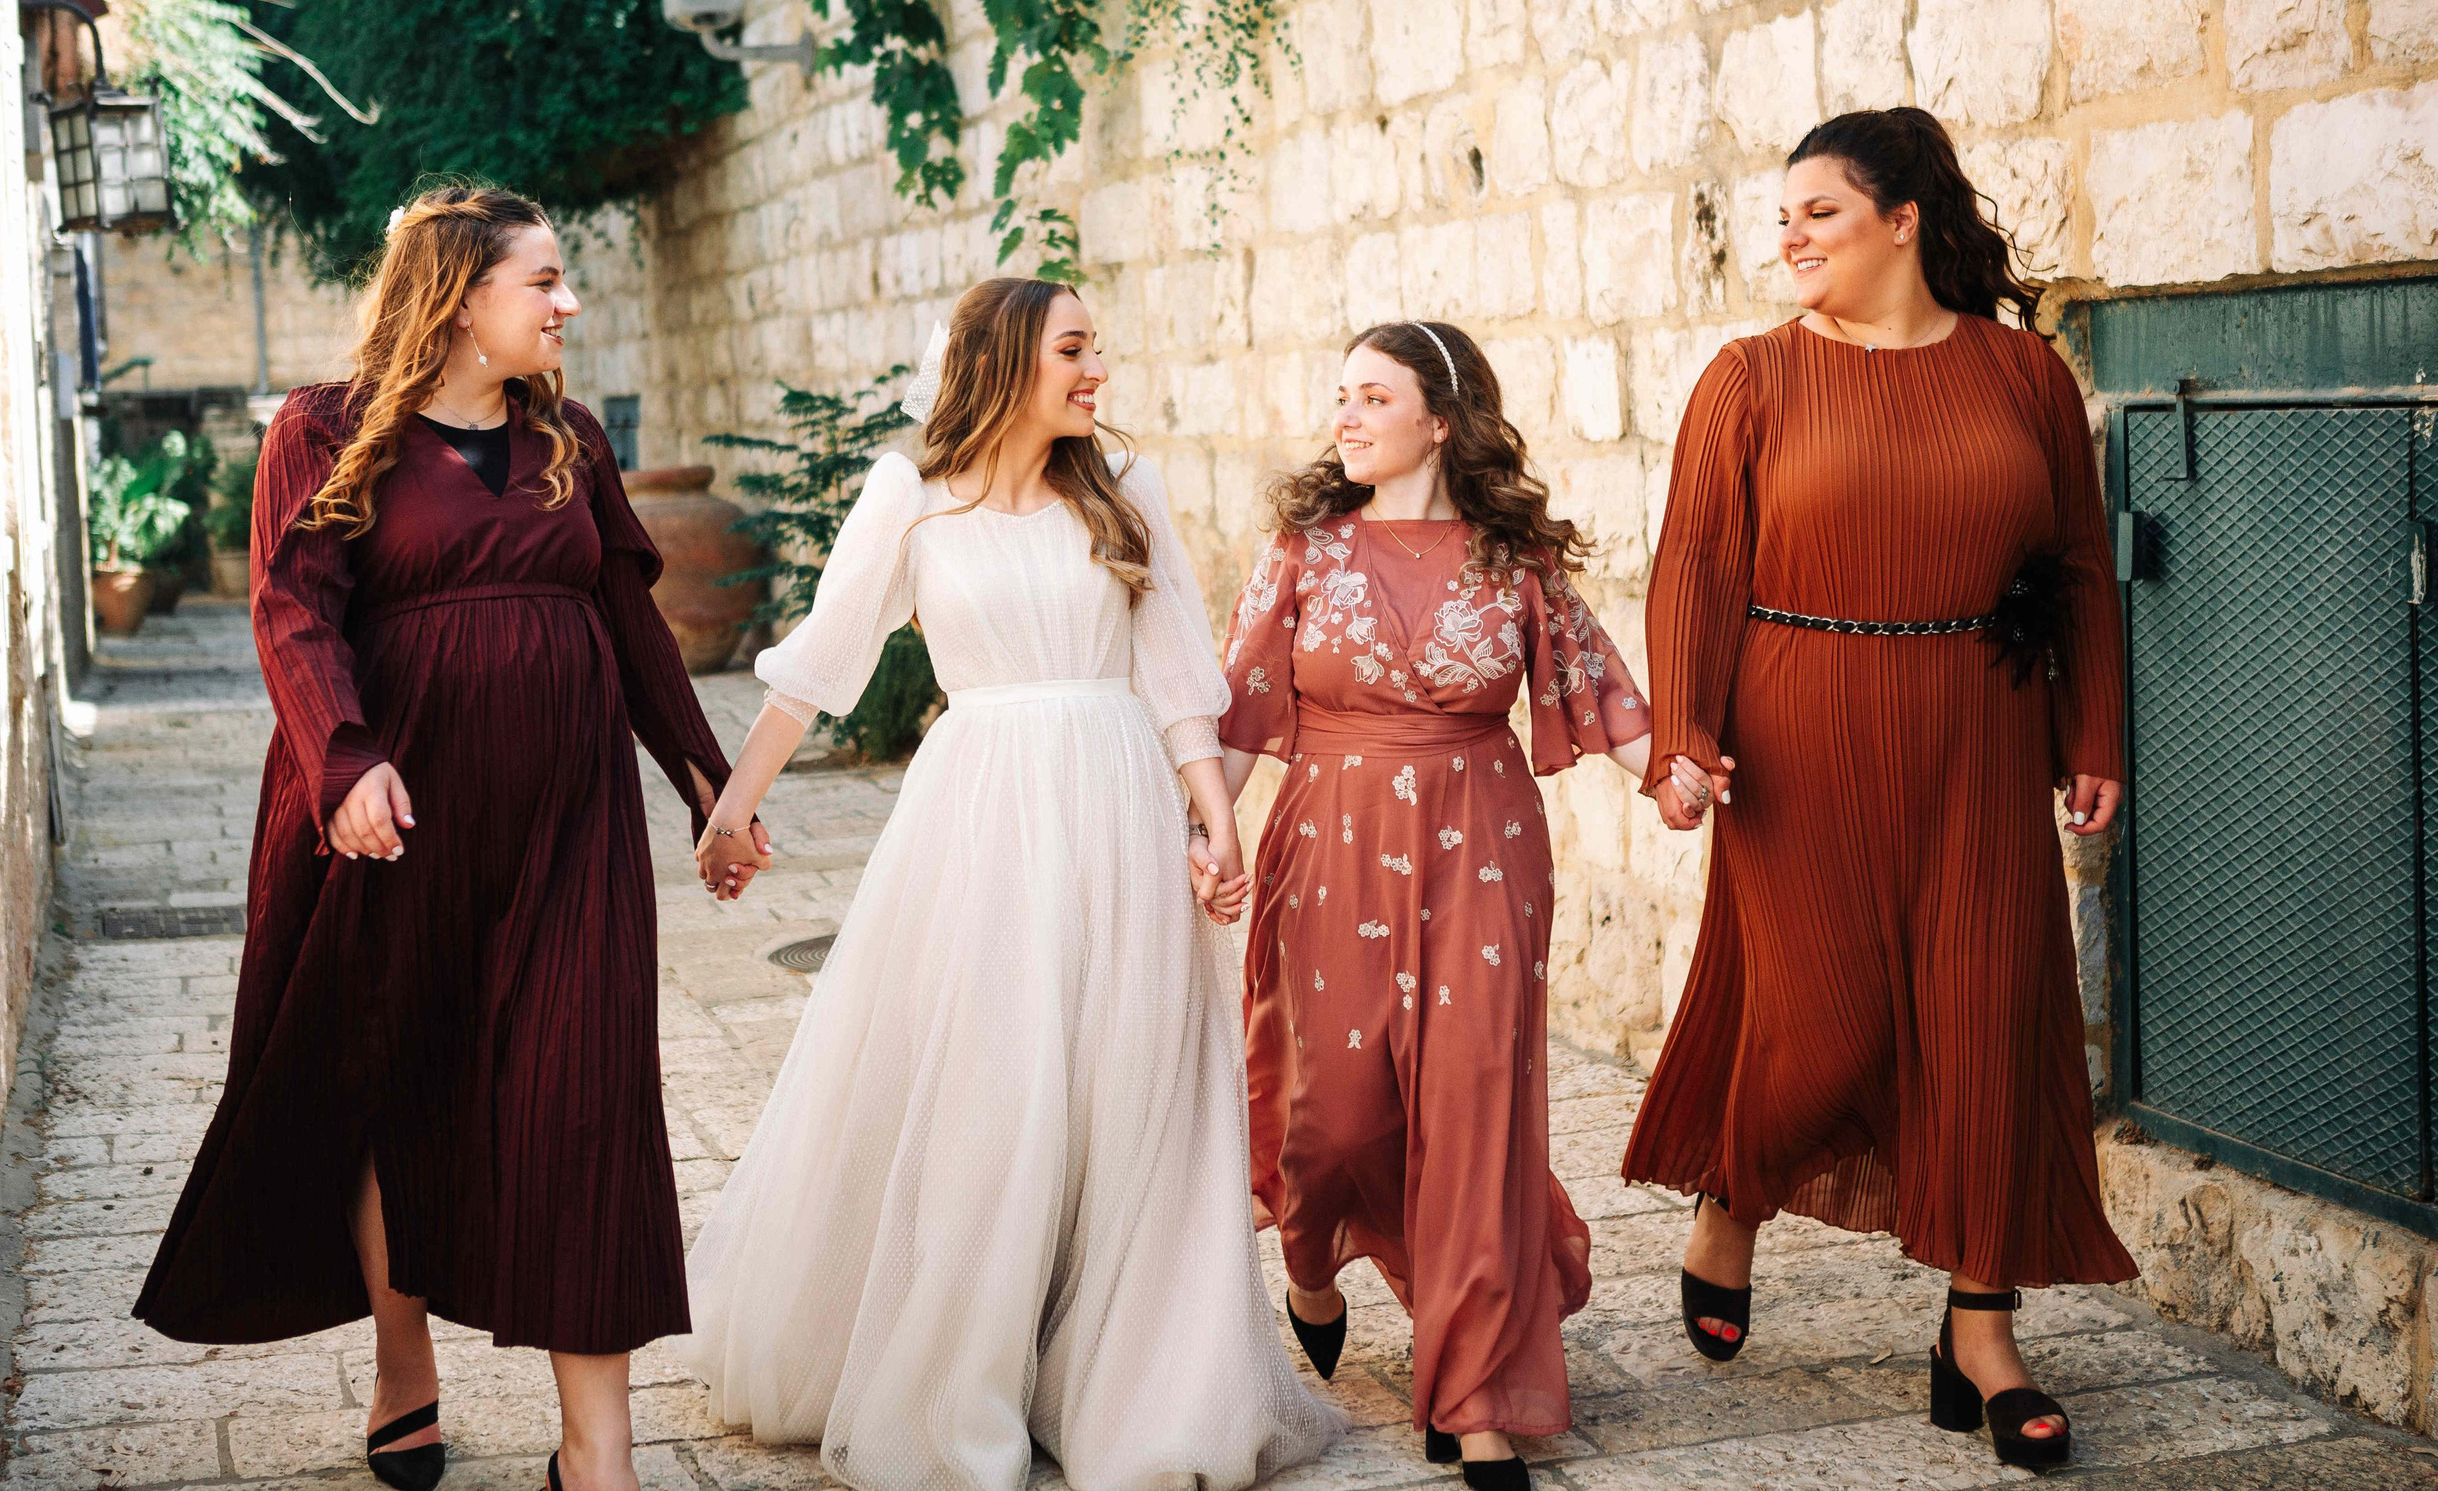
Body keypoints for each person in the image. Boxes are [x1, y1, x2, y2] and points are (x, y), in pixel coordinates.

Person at [671, 278, 1344, 1491]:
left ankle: (1123, 1381)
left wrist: (1212, 815)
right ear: (1002, 360)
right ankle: (959, 1379)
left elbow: (1175, 660)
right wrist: (732, 805)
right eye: (1075, 350)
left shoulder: (1124, 490)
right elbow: (820, 664)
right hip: (979, 811)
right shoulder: (911, 495)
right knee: (996, 1085)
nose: (1098, 371)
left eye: (1098, 349)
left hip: (1118, 803)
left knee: (1122, 1088)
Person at [134, 185, 728, 1491]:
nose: (568, 303)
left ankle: (600, 1449)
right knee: (396, 1080)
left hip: (570, 821)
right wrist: (343, 755)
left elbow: (630, 623)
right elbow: (292, 610)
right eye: (544, 280)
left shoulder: (569, 434)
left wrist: (705, 778)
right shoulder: (328, 426)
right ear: (462, 296)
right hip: (397, 814)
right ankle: (405, 1364)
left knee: (589, 1096)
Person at [1622, 107, 2133, 1470]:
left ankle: (1980, 1325)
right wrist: (1686, 732)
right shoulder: (1751, 377)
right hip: (1805, 734)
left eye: (1819, 213)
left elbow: (2079, 563)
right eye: (1780, 216)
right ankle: (1735, 1193)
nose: (1787, 236)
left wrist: (2093, 732)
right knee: (1818, 1015)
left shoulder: (2023, 375)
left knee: (1984, 1017)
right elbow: (1696, 566)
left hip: (1979, 729)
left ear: (1902, 221)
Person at [1216, 321, 1676, 1487]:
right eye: (1341, 398)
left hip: (1481, 849)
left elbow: (1595, 684)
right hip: (1329, 851)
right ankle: (1311, 1252)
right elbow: (1238, 709)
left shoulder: (1513, 561)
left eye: (1373, 396)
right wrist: (1204, 830)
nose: (1347, 417)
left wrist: (1670, 776)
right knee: (1336, 1117)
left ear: (1441, 416)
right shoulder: (1303, 551)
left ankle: (1473, 1393)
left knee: (1473, 1111)